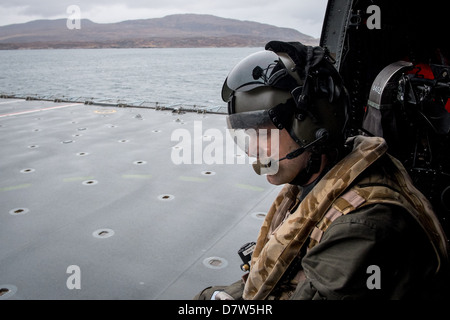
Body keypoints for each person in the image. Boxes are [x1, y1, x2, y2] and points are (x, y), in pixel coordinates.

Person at [195, 41, 449, 300]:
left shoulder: (362, 227)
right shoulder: (313, 184)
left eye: (264, 132)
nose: (252, 150)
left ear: (311, 126)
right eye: (248, 134)